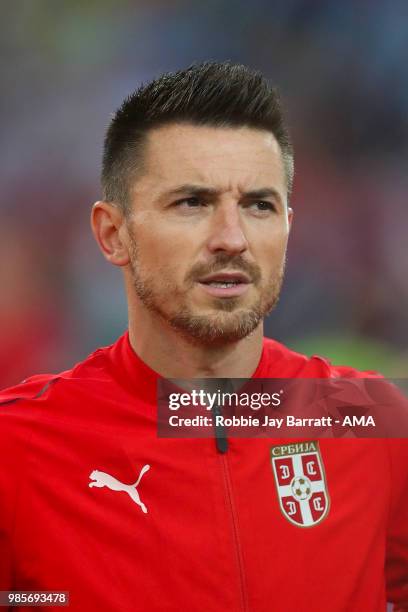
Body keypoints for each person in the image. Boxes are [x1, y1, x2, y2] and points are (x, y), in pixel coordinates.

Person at [0, 62, 407, 612]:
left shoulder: (372, 423)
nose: (232, 238)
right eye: (192, 202)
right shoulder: (18, 449)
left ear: (287, 227)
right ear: (112, 234)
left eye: (258, 206)